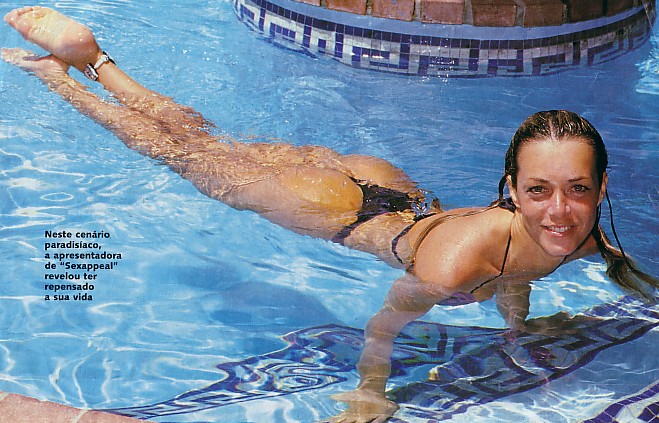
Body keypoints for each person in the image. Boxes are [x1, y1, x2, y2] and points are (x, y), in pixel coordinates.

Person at [2, 6, 657, 423]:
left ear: (601, 189)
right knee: (176, 152)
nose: (559, 209)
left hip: (386, 185)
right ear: (511, 189)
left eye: (575, 189)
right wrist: (371, 393)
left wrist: (518, 330)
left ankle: (97, 59)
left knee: (208, 143)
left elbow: (525, 267)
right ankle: (58, 76)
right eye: (540, 190)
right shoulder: (454, 267)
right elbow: (382, 326)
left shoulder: (580, 236)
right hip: (331, 210)